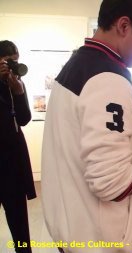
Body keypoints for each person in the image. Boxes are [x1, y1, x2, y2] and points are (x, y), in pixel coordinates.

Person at [41, 0, 132, 252]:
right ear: (124, 25)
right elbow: (112, 183)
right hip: (105, 241)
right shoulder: (109, 78)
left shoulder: (78, 65)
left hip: (76, 230)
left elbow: (80, 137)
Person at [0, 40, 35, 253]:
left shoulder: (16, 83)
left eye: (16, 61)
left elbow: (24, 119)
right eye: (9, 62)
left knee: (19, 221)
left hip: (12, 161)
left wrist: (19, 93)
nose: (14, 66)